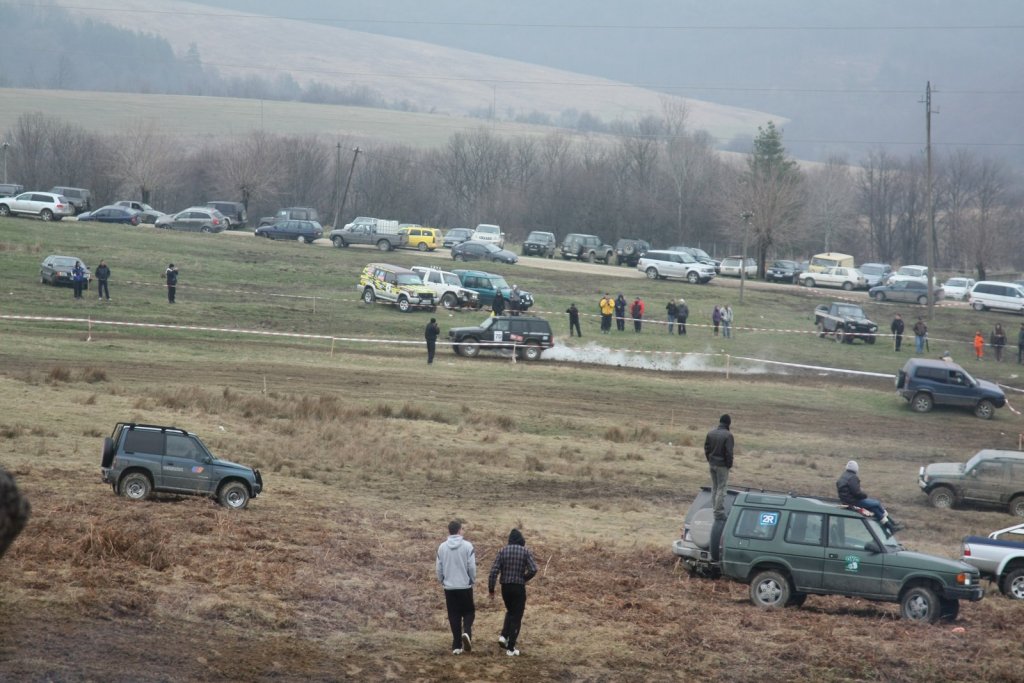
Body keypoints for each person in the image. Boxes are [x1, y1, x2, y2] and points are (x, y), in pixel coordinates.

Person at [488, 528, 537, 657]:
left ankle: (504, 636)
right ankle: (511, 648)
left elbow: (493, 571)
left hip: (505, 588)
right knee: (517, 616)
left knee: (510, 611)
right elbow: (533, 569)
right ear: (521, 540)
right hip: (519, 588)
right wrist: (523, 578)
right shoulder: (525, 551)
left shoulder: (502, 551)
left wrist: (491, 589)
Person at [436, 520, 476, 655]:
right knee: (469, 612)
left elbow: (439, 568)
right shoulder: (468, 546)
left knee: (454, 615)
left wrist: (442, 580)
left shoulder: (441, 547)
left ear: (449, 531)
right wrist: (472, 579)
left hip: (449, 587)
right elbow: (471, 566)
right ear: (459, 530)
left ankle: (456, 645)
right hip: (465, 586)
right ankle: (467, 632)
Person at [836, 461, 903, 535]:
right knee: (876, 503)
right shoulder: (853, 477)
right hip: (853, 501)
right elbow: (856, 492)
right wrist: (864, 495)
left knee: (874, 508)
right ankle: (892, 523)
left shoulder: (843, 476)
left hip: (846, 500)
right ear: (856, 469)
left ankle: (891, 527)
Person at [704, 414, 734, 521]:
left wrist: (710, 460)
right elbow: (729, 453)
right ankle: (718, 511)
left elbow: (706, 449)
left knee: (715, 487)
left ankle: (713, 508)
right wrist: (729, 465)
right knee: (722, 487)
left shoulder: (711, 433)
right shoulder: (728, 435)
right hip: (722, 466)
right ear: (728, 423)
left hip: (712, 464)